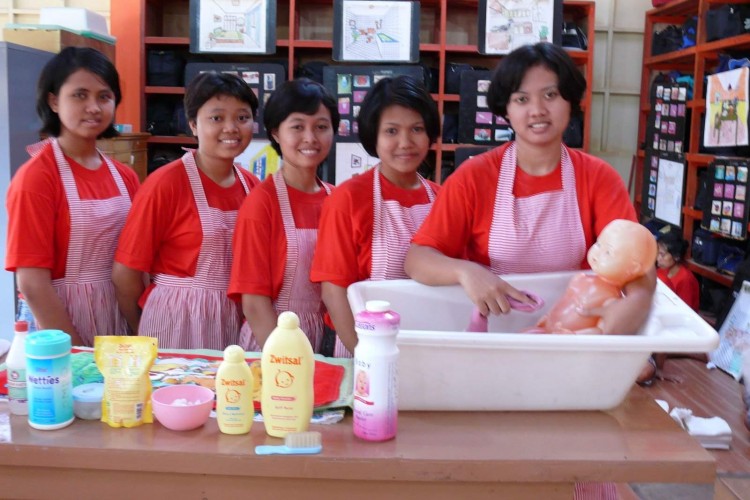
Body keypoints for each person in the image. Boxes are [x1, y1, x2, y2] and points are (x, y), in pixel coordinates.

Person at [405, 42, 656, 338]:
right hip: (497, 333)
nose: (537, 111)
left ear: (570, 101)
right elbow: (418, 259)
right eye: (522, 99)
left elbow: (636, 258)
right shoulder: (473, 177)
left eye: (550, 95)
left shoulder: (599, 178)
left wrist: (638, 300)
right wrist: (466, 272)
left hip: (573, 333)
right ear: (506, 110)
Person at [112, 72, 259, 350]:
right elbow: (126, 272)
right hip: (175, 319)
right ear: (193, 124)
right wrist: (140, 328)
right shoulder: (165, 183)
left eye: (242, 117)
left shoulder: (253, 187)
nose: (231, 128)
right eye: (216, 118)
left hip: (233, 318)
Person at [5, 47, 139, 347]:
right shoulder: (37, 178)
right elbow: (32, 282)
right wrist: (74, 351)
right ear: (54, 101)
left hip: (117, 312)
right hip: (58, 320)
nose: (94, 107)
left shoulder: (125, 177)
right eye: (80, 95)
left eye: (104, 96)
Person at [311, 75, 441, 357]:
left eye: (417, 129)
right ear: (374, 136)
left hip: (429, 343)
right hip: (360, 345)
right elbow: (334, 292)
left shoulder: (442, 199)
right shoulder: (348, 199)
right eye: (391, 131)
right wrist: (368, 357)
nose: (405, 142)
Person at [228, 78, 339, 352]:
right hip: (272, 338)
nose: (310, 138)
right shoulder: (262, 203)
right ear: (276, 133)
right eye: (297, 127)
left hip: (326, 337)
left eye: (321, 127)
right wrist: (286, 358)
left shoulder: (337, 199)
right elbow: (254, 303)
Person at [535, 219, 658, 334]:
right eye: (598, 244)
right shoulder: (580, 278)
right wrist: (548, 317)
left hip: (565, 340)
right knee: (529, 334)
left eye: (608, 252)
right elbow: (563, 301)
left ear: (633, 268)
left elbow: (601, 330)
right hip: (547, 327)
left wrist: (576, 337)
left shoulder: (611, 298)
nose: (597, 253)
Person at [656, 228, 700, 311]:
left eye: (662, 254)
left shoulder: (685, 280)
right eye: (657, 253)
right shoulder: (661, 269)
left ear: (676, 257)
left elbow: (684, 311)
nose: (657, 258)